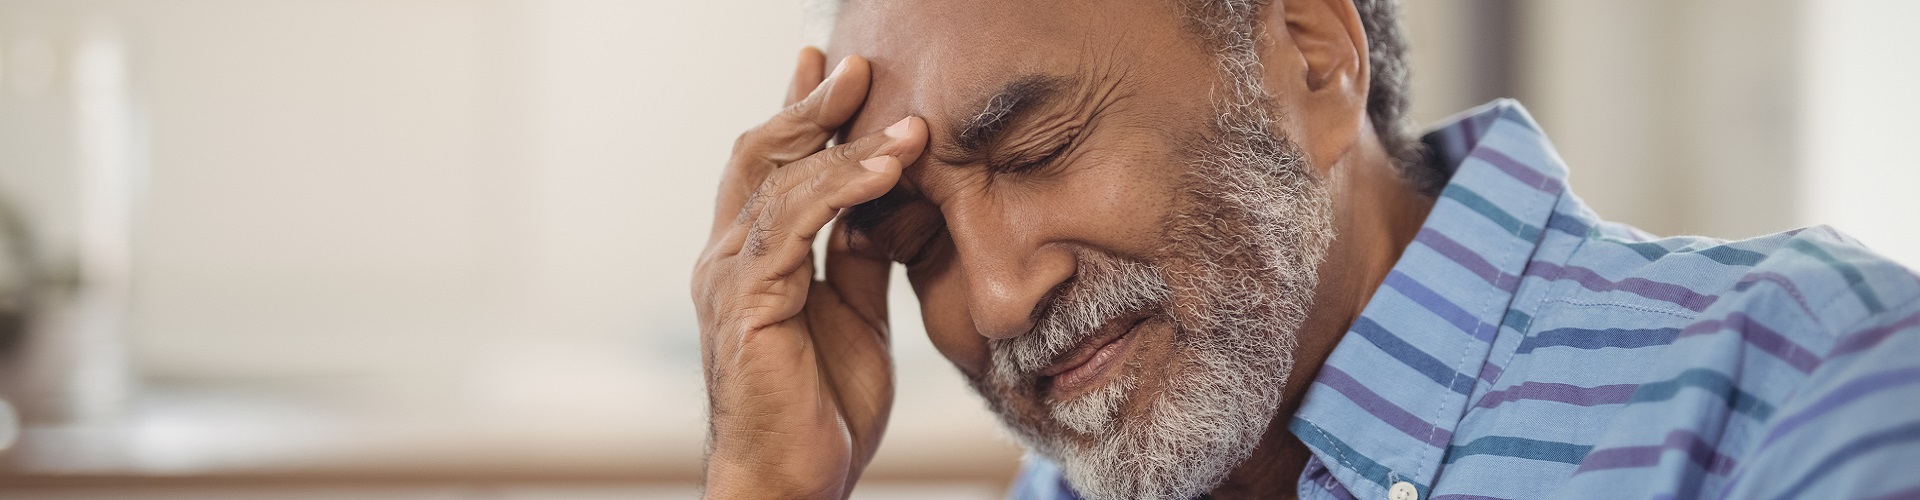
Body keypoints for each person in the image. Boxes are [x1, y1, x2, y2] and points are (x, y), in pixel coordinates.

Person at [689, 0, 1920, 498]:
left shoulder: (1815, 388)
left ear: (1312, 61)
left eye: (1038, 145)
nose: (1001, 299)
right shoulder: (1079, 476)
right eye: (913, 239)